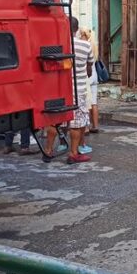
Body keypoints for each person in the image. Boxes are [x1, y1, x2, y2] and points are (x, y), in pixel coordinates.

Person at [43, 16, 94, 164]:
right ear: (77, 29)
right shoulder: (86, 46)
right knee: (77, 122)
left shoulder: (55, 45)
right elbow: (89, 70)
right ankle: (73, 153)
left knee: (54, 120)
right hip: (78, 89)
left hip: (57, 89)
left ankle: (48, 150)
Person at [80, 28, 101, 134]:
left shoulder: (84, 46)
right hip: (94, 76)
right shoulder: (94, 46)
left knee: (86, 103)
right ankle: (95, 125)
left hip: (86, 76)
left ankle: (87, 127)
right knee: (94, 102)